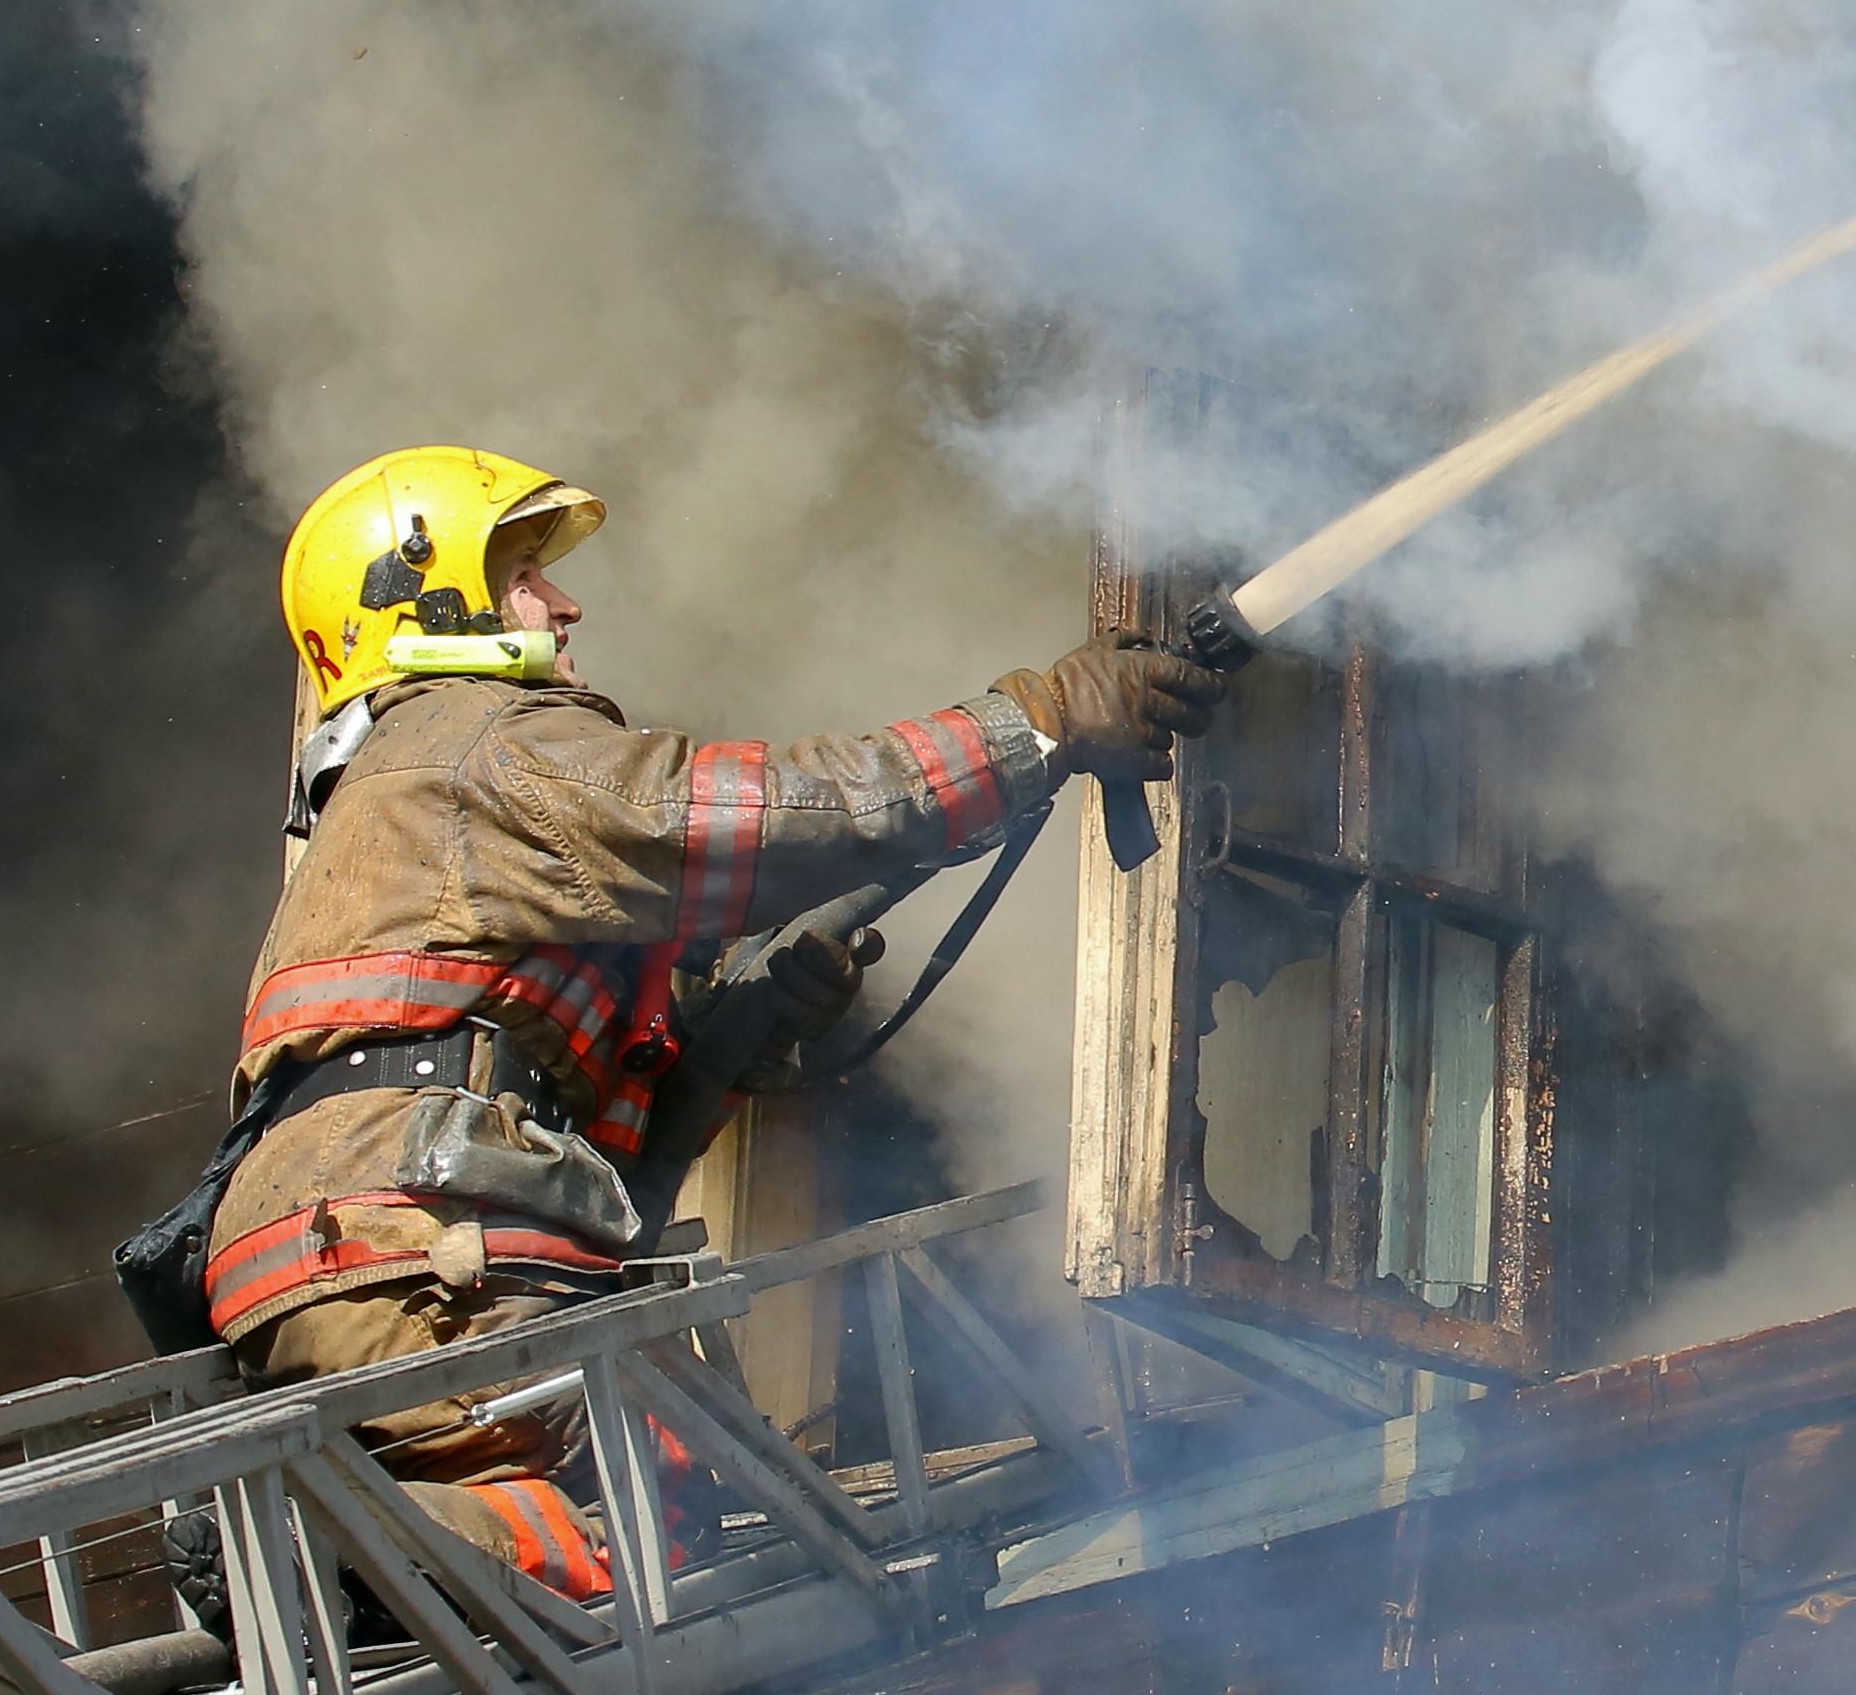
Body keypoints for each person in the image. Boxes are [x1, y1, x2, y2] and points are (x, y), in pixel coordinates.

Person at [117, 443, 1216, 1599]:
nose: (563, 601)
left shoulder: (406, 808)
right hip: (423, 1254)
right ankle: (317, 1551)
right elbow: (767, 812)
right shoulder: (473, 737)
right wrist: (1033, 723)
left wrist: (730, 1033)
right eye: (527, 574)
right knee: (662, 1520)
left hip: (346, 1265)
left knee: (543, 1554)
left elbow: (593, 1149)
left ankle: (347, 1551)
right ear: (423, 594)